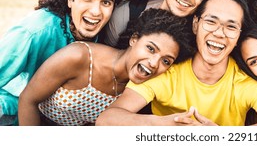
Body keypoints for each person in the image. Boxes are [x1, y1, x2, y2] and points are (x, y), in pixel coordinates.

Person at [96, 0, 257, 126]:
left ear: (238, 37)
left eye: (231, 26)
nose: (219, 33)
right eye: (211, 21)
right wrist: (165, 126)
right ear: (195, 25)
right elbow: (107, 120)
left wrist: (218, 137)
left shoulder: (243, 82)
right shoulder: (166, 71)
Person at [0, 0, 133, 125]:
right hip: (11, 107)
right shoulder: (35, 31)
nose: (95, 11)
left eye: (106, 2)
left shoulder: (103, 36)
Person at [18, 8, 194, 126]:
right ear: (134, 39)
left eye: (166, 61)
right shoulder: (79, 56)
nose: (154, 63)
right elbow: (28, 100)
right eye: (150, 48)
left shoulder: (140, 89)